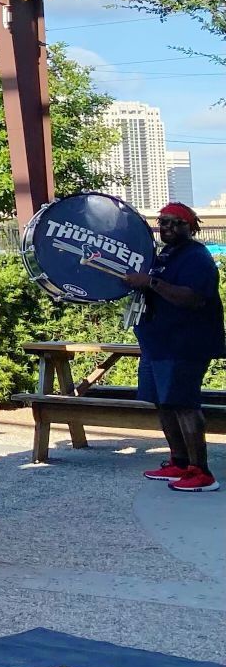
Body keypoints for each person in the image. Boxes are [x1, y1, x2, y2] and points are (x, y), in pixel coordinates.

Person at [124, 203, 223, 494]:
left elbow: (192, 298)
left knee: (183, 404)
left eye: (173, 223)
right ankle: (179, 461)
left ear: (190, 227)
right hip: (158, 343)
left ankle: (201, 471)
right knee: (164, 403)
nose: (165, 228)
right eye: (162, 222)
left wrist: (151, 282)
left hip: (184, 344)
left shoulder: (197, 258)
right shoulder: (164, 255)